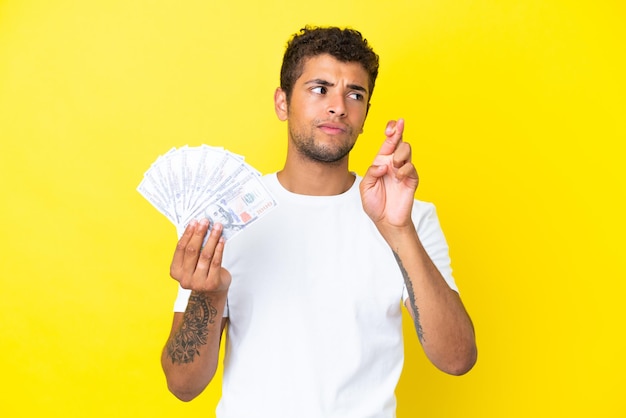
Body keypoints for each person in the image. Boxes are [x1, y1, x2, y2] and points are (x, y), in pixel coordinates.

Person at [161, 26, 477, 417]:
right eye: (319, 88)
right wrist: (207, 296)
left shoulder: (408, 216)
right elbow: (182, 385)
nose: (338, 106)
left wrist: (399, 231)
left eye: (355, 94)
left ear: (365, 117)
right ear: (282, 103)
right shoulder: (227, 217)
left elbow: (458, 358)